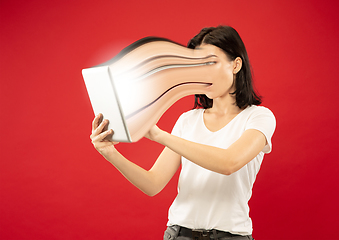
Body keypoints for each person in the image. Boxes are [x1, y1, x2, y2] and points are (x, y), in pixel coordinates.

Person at [90, 25, 276, 240]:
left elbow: (228, 163)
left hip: (232, 236)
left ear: (235, 64)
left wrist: (160, 136)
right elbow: (153, 183)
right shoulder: (188, 120)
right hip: (180, 234)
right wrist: (109, 152)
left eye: (211, 62)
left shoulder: (259, 117)